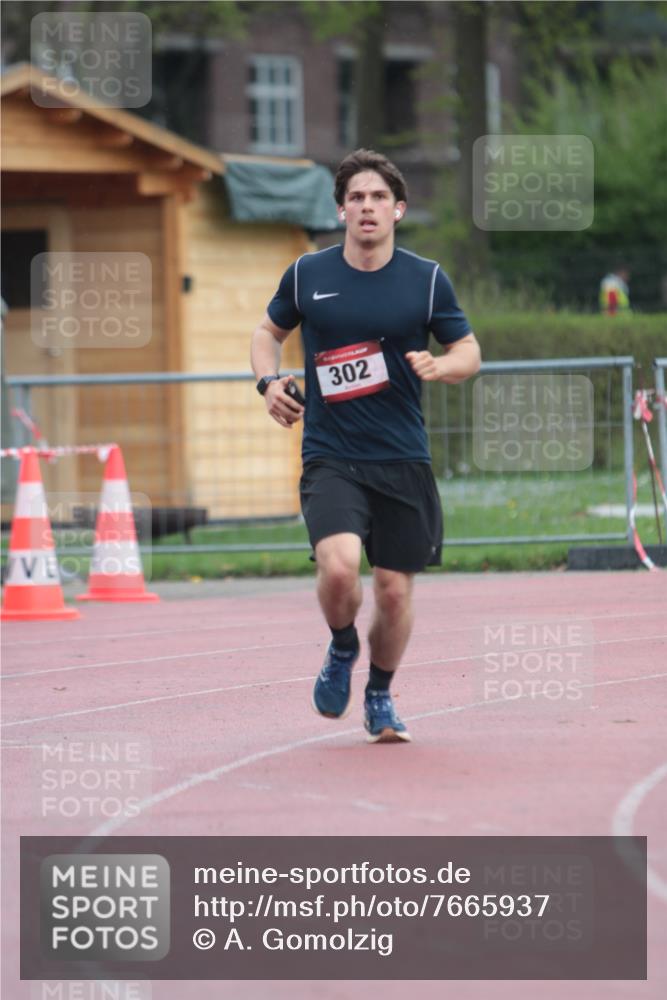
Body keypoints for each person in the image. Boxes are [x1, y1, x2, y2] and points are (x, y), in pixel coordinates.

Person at [250, 148, 481, 743]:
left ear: (399, 210)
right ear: (341, 209)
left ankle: (380, 693)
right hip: (332, 455)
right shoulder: (308, 273)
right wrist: (269, 381)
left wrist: (442, 365)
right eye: (357, 197)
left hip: (403, 457)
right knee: (339, 568)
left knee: (394, 591)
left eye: (379, 197)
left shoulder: (426, 279)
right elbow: (267, 333)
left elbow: (469, 352)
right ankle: (342, 646)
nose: (368, 207)